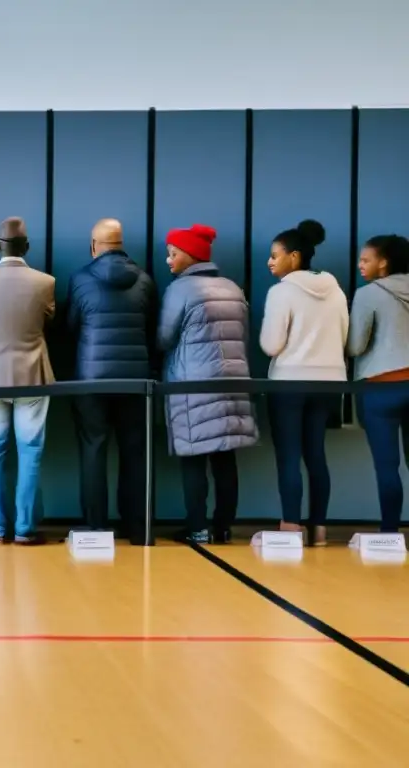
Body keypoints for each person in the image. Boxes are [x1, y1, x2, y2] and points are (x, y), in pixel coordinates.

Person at [159, 224, 258, 544]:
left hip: (194, 384)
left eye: (173, 254)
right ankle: (223, 527)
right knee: (225, 457)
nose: (168, 260)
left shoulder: (180, 290)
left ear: (189, 255)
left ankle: (197, 527)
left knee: (194, 457)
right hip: (233, 381)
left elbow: (164, 338)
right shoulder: (232, 288)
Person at [0, 216, 55, 545]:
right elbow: (50, 322)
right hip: (33, 376)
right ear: (27, 247)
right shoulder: (45, 282)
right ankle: (26, 529)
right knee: (30, 451)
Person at [66, 218, 157, 541]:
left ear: (94, 246)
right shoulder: (145, 280)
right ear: (120, 245)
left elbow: (71, 327)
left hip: (92, 380)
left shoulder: (79, 279)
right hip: (136, 380)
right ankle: (137, 528)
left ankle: (95, 528)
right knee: (135, 452)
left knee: (93, 449)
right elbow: (151, 330)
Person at [260, 219, 348, 545]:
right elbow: (344, 338)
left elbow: (271, 345)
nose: (270, 261)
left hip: (289, 383)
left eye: (275, 255)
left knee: (289, 456)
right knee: (316, 455)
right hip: (330, 384)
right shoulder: (336, 291)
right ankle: (320, 530)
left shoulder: (281, 292)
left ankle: (290, 529)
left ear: (294, 257)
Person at [346, 234, 409, 533]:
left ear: (384, 263)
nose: (360, 265)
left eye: (366, 259)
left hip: (382, 387)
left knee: (387, 467)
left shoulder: (368, 294)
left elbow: (356, 346)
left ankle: (390, 533)